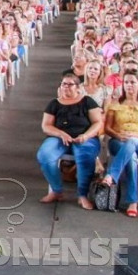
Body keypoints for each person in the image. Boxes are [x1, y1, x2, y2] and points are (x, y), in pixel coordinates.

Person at [36, 71, 104, 210]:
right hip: (59, 138)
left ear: (78, 87)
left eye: (70, 84)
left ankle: (82, 195)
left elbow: (97, 122)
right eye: (63, 84)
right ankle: (56, 190)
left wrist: (86, 135)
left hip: (84, 136)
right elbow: (46, 126)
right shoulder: (54, 103)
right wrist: (60, 133)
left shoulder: (88, 101)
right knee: (44, 155)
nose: (66, 87)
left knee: (85, 157)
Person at [100, 71, 138, 217]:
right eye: (126, 82)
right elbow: (107, 128)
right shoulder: (116, 104)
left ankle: (111, 175)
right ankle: (133, 202)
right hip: (118, 142)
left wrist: (137, 136)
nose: (129, 85)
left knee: (132, 144)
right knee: (130, 155)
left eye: (132, 82)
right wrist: (118, 135)